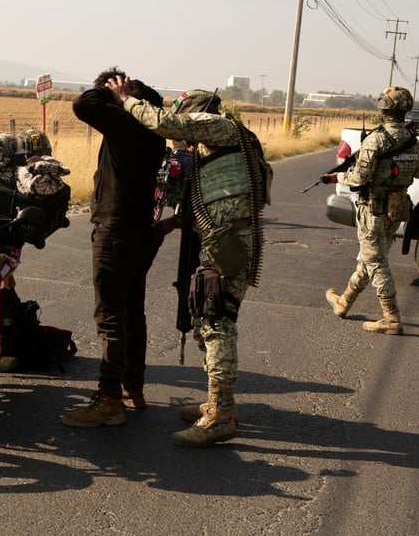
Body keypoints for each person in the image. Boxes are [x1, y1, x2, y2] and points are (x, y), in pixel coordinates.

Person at [105, 77, 268, 447]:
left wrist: (125, 99)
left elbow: (167, 124)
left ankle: (222, 415)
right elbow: (216, 193)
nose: (180, 141)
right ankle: (216, 401)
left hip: (227, 242)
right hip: (222, 238)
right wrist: (174, 222)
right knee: (207, 316)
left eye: (185, 125)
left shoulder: (219, 126)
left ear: (195, 115)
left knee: (216, 322)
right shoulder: (217, 145)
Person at [59, 68, 166, 428]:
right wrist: (125, 98)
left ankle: (108, 401)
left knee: (111, 319)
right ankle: (132, 387)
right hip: (140, 232)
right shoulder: (154, 134)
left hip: (116, 233)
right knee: (134, 313)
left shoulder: (128, 128)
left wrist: (119, 96)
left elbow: (81, 104)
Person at [322, 87, 419, 335]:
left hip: (374, 210)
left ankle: (391, 317)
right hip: (397, 209)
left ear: (383, 109)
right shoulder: (413, 141)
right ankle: (344, 302)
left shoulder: (376, 140)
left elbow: (358, 177)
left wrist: (337, 178)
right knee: (370, 258)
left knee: (376, 261)